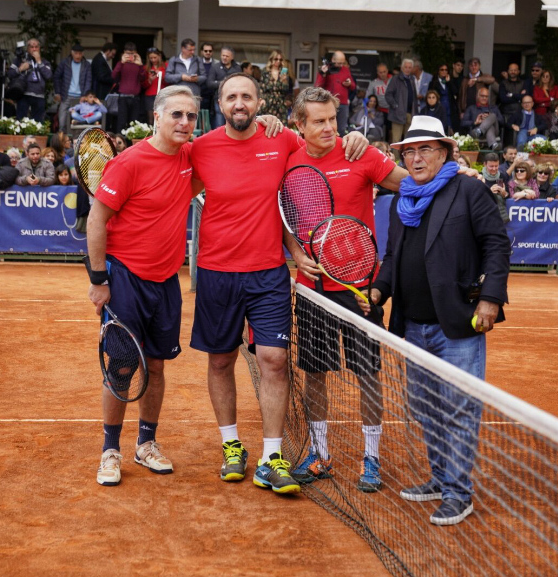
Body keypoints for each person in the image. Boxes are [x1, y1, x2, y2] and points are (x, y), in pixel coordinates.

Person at [189, 73, 368, 495]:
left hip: (269, 272)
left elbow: (322, 144)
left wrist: (357, 141)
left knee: (274, 359)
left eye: (247, 96)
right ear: (221, 103)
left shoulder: (283, 138)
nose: (239, 103)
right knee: (219, 360)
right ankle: (232, 445)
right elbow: (168, 184)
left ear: (258, 102)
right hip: (216, 272)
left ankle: (272, 456)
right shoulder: (203, 148)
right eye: (231, 96)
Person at [361, 115, 509, 526]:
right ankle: (443, 480)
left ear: (444, 152)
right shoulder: (401, 199)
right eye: (409, 151)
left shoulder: (468, 190)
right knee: (425, 408)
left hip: (459, 324)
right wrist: (379, 290)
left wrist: (491, 299)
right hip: (413, 326)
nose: (415, 157)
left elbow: (496, 245)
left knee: (460, 409)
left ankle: (460, 494)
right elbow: (394, 259)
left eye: (425, 148)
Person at [282, 86, 407, 492]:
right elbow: (284, 216)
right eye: (318, 121)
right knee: (314, 374)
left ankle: (372, 458)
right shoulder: (288, 161)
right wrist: (297, 254)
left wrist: (454, 175)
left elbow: (410, 185)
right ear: (299, 124)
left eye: (333, 119)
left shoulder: (360, 153)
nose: (329, 128)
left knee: (369, 374)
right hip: (314, 288)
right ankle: (320, 454)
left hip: (360, 287)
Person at [87, 85, 202, 486]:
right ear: (156, 116)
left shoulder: (192, 157)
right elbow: (96, 220)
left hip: (166, 280)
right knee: (121, 367)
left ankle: (146, 443)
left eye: (191, 116)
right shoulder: (129, 162)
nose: (184, 123)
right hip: (125, 280)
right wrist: (99, 281)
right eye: (176, 115)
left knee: (155, 364)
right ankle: (110, 450)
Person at [8, 38, 53, 122]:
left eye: (36, 47)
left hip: (39, 96)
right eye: (32, 47)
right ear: (28, 48)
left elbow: (48, 76)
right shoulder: (20, 59)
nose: (34, 49)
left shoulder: (44, 62)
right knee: (21, 122)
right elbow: (10, 74)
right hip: (24, 94)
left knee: (38, 123)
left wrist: (39, 62)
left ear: (39, 48)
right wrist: (20, 69)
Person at [54, 43, 92, 133]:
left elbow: (88, 80)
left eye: (80, 53)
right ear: (72, 53)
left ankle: (75, 140)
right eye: (76, 53)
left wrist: (85, 95)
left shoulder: (86, 65)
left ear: (83, 54)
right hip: (66, 95)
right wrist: (57, 92)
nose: (78, 56)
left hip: (80, 97)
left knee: (78, 121)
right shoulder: (65, 63)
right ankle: (61, 138)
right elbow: (56, 77)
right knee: (62, 119)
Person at [315, 51, 355, 135]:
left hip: (343, 103)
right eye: (339, 63)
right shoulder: (325, 69)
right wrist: (323, 74)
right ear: (333, 60)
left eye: (342, 63)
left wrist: (349, 83)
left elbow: (353, 86)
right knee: (328, 127)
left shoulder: (345, 69)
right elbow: (317, 86)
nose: (341, 65)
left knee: (342, 129)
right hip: (329, 103)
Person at [112, 43, 146, 133]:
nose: (130, 56)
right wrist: (121, 62)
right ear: (124, 53)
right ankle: (120, 143)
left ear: (136, 53)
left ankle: (132, 145)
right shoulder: (121, 64)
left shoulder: (138, 64)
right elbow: (113, 76)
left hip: (135, 97)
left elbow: (143, 78)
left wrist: (140, 65)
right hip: (123, 97)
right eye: (128, 54)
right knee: (121, 122)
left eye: (132, 54)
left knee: (134, 123)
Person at [206, 46, 241, 128]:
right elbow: (209, 83)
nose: (224, 58)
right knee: (219, 123)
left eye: (227, 56)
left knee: (232, 123)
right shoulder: (215, 67)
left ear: (232, 57)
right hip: (219, 99)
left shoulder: (237, 68)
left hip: (234, 99)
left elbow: (240, 83)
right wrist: (223, 83)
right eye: (223, 55)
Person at [385, 59, 416, 146]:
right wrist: (395, 106)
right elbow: (388, 94)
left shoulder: (412, 79)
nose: (407, 69)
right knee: (396, 140)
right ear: (402, 68)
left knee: (409, 140)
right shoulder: (395, 79)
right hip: (397, 114)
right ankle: (396, 160)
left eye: (410, 67)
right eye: (406, 67)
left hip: (410, 113)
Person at [260, 50, 294, 124]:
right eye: (276, 59)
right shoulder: (265, 72)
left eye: (280, 59)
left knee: (280, 127)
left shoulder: (283, 73)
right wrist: (261, 99)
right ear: (271, 59)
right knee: (266, 125)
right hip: (267, 103)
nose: (278, 61)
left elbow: (286, 90)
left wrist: (284, 81)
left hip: (280, 103)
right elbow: (261, 89)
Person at [143, 48, 168, 126]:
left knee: (162, 117)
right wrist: (150, 80)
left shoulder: (166, 66)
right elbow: (143, 85)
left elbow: (169, 81)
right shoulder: (145, 68)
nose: (153, 60)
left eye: (155, 57)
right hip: (149, 95)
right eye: (151, 58)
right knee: (150, 119)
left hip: (162, 94)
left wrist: (161, 75)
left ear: (159, 56)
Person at [429, 64, 455, 134]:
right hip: (438, 109)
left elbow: (455, 92)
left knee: (449, 131)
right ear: (438, 71)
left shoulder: (450, 81)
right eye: (442, 69)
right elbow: (430, 96)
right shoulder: (433, 83)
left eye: (446, 70)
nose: (444, 71)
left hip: (449, 110)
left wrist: (449, 82)